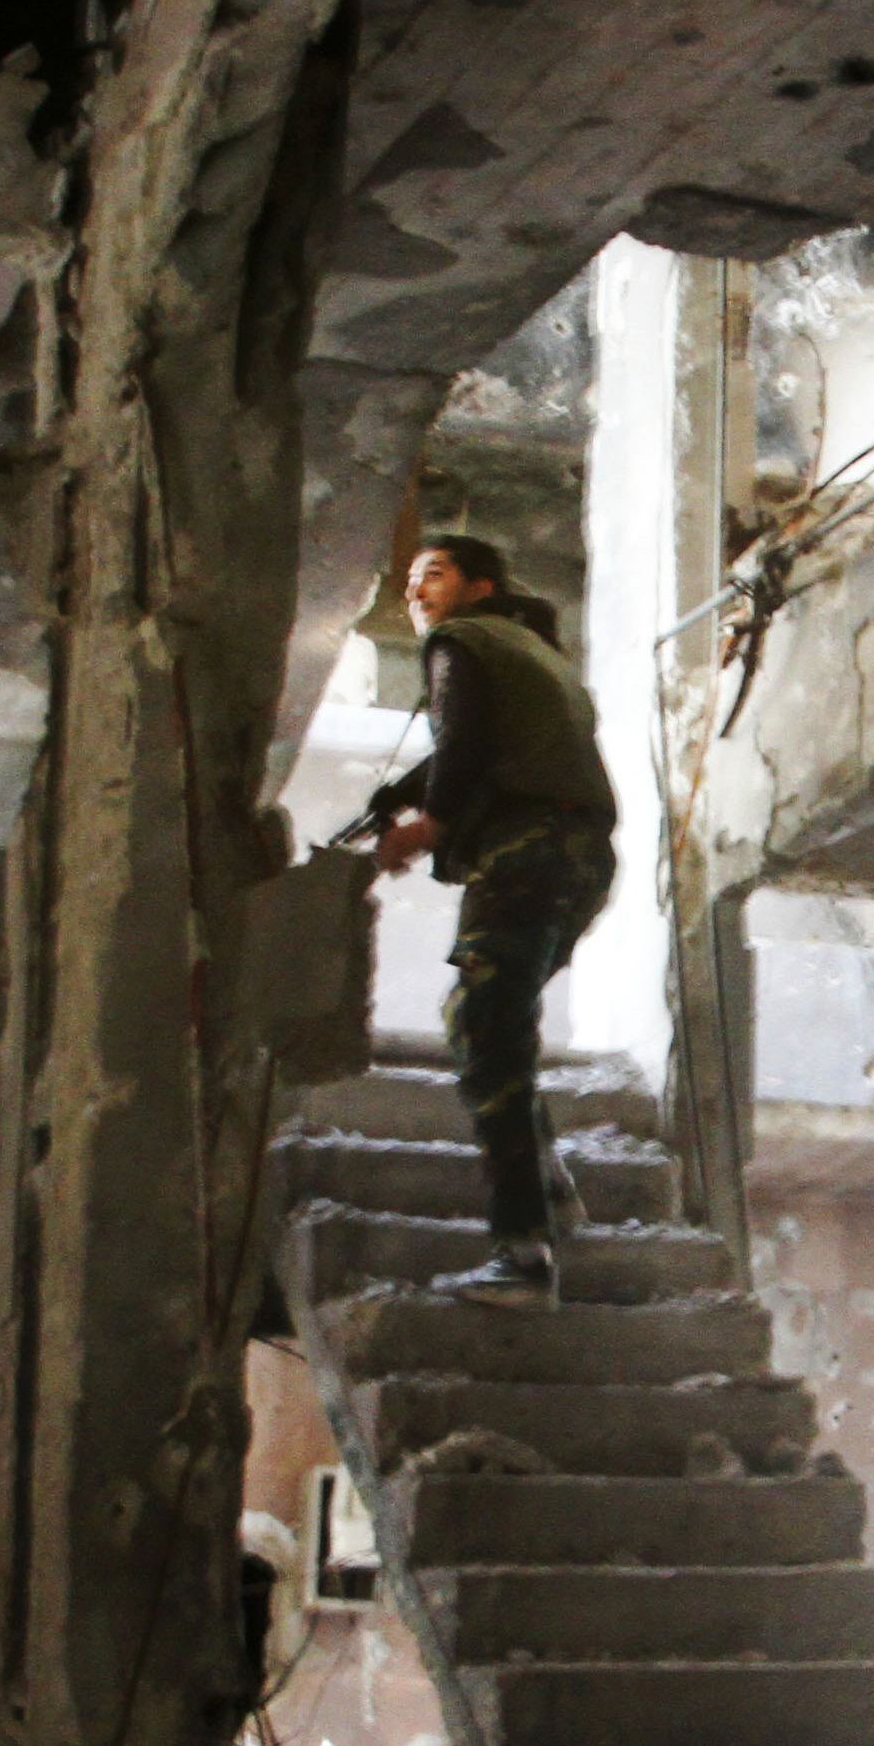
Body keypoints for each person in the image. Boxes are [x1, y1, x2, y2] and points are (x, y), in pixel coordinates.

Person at [365, 535, 618, 1304]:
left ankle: (523, 1255)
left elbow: (466, 738)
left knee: (481, 1025)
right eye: (409, 580)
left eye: (433, 574)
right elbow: (481, 739)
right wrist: (402, 792)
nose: (416, 592)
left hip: (526, 851)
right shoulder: (535, 654)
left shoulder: (461, 639)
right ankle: (547, 1188)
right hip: (578, 858)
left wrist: (428, 824)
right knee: (494, 1022)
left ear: (479, 587)